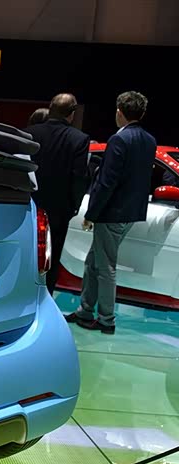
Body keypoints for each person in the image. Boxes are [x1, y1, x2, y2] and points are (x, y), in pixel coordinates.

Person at [66, 91, 156, 334]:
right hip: (130, 212)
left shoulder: (119, 140)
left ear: (119, 111)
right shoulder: (149, 140)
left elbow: (107, 182)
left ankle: (106, 320)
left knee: (105, 267)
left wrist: (91, 214)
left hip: (111, 212)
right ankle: (85, 310)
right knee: (93, 261)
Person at [24, 93, 90, 294]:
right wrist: (73, 207)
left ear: (50, 108)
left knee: (24, 254)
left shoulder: (28, 133)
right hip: (59, 210)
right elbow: (79, 177)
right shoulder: (78, 139)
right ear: (71, 114)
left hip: (27, 205)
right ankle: (45, 298)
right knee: (50, 259)